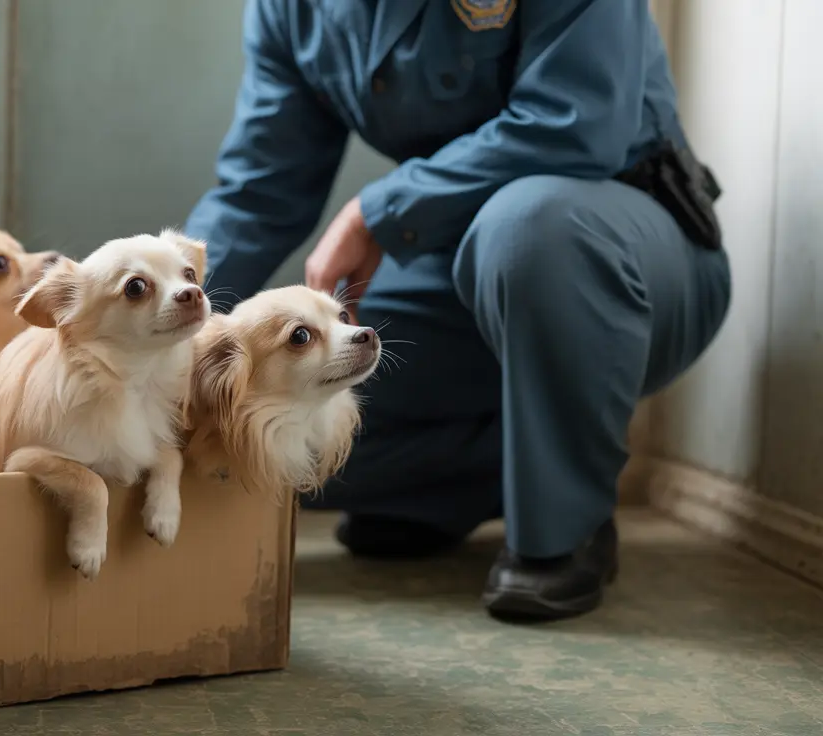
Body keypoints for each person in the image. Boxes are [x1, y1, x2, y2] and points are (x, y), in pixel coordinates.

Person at [183, 0, 731, 621]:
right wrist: (164, 334)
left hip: (613, 250)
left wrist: (377, 212)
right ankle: (469, 486)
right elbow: (259, 192)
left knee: (527, 228)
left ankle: (561, 528)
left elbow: (576, 124)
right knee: (270, 430)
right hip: (449, 275)